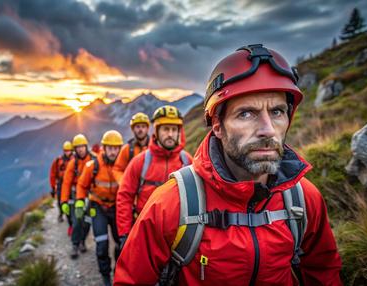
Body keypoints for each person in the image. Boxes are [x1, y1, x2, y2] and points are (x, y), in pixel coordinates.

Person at [114, 44, 342, 285]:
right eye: (246, 113)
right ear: (218, 126)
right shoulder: (171, 203)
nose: (267, 130)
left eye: (277, 111)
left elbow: (324, 272)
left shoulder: (304, 199)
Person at [115, 105, 193, 248]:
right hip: (145, 231)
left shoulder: (188, 162)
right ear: (156, 131)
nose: (170, 134)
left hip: (179, 235)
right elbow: (124, 197)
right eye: (165, 129)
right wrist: (125, 233)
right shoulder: (140, 162)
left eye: (174, 129)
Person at [76, 130, 124, 286]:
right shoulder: (93, 166)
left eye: (116, 148)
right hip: (97, 206)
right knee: (101, 243)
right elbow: (82, 185)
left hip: (117, 207)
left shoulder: (124, 166)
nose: (113, 151)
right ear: (104, 148)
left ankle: (119, 270)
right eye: (110, 148)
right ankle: (105, 276)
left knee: (120, 242)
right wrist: (79, 201)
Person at [60, 134, 94, 259]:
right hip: (76, 196)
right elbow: (66, 183)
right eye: (78, 147)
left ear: (86, 147)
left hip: (91, 197)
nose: (80, 149)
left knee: (88, 222)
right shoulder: (72, 164)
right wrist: (64, 201)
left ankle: (82, 241)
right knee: (76, 221)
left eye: (82, 146)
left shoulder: (93, 160)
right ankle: (75, 245)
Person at [113, 112, 150, 182]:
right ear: (133, 129)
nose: (140, 130)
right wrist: (124, 183)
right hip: (132, 189)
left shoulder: (154, 148)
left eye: (143, 126)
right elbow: (117, 170)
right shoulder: (127, 149)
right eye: (138, 127)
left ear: (147, 129)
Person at [49, 140, 73, 225]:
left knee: (71, 200)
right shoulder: (58, 161)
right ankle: (61, 213)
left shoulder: (74, 160)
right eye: (66, 151)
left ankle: (70, 216)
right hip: (61, 184)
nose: (67, 152)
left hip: (71, 184)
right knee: (60, 200)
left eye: (69, 150)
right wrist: (53, 187)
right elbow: (53, 174)